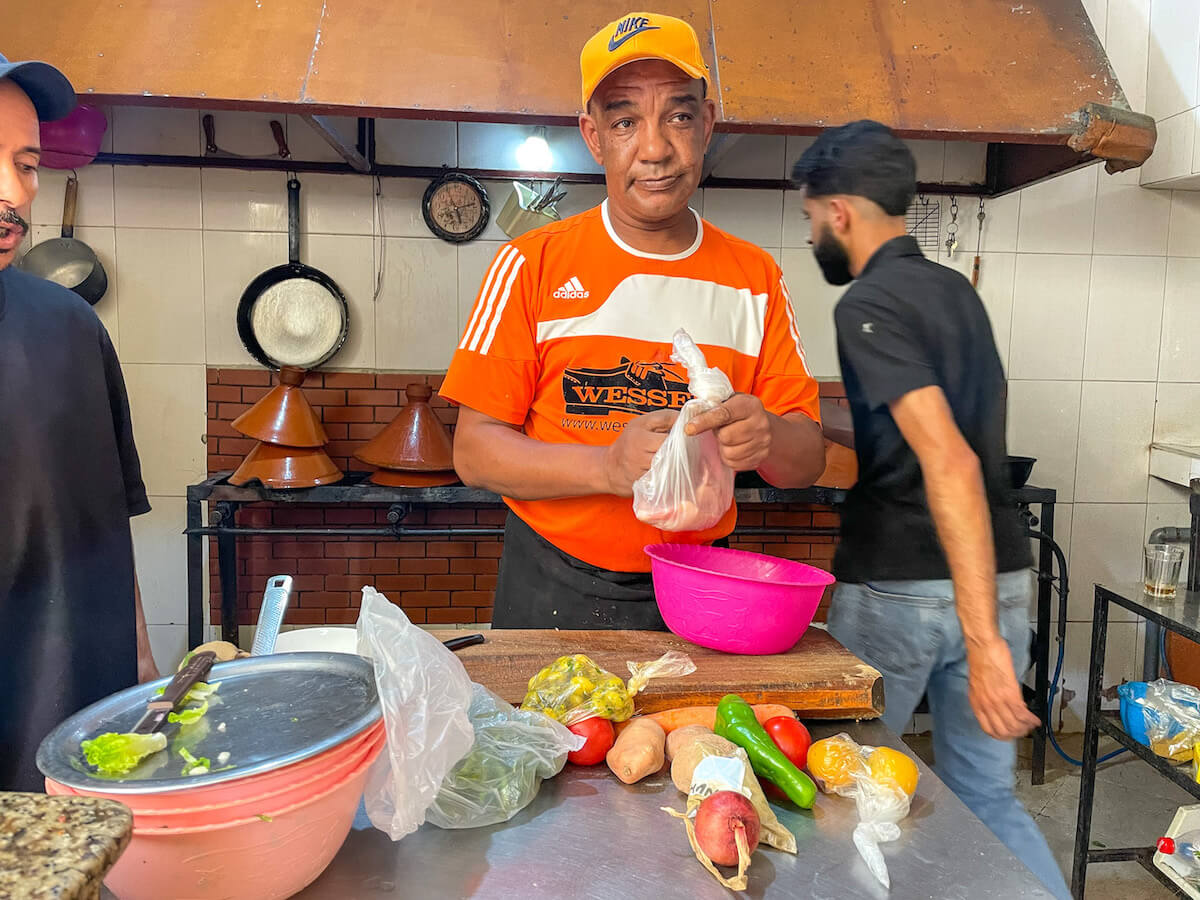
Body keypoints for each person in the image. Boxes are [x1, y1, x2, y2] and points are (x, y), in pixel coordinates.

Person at [442, 12, 825, 629]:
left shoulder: (756, 279)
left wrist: (769, 438)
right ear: (594, 137)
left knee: (690, 732)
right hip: (552, 580)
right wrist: (604, 468)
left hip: (703, 582)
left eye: (678, 115)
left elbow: (805, 461)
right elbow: (474, 451)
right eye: (625, 121)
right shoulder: (529, 263)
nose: (655, 149)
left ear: (707, 124)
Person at [792, 120, 1070, 899]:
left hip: (901, 594)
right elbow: (959, 439)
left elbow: (946, 455)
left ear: (840, 211)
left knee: (841, 795)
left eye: (812, 216)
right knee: (987, 798)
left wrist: (981, 645)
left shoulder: (868, 303)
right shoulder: (956, 292)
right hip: (1002, 575)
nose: (813, 232)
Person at [0, 53, 158, 792]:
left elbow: (105, 517)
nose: (13, 194)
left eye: (26, 164)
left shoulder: (68, 326)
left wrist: (144, 673)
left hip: (75, 751)